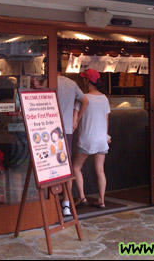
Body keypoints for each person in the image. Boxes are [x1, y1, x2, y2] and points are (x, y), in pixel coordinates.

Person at [73, 69, 110, 209]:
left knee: (76, 167)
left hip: (86, 138)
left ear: (87, 81)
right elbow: (106, 120)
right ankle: (101, 200)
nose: (82, 81)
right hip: (101, 139)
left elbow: (75, 119)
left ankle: (82, 197)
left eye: (84, 78)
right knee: (100, 170)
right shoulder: (104, 98)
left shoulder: (83, 98)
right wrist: (106, 136)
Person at [56, 59, 89, 216]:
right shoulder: (71, 83)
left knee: (51, 167)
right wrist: (76, 119)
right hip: (67, 130)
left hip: (50, 130)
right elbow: (85, 101)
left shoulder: (48, 82)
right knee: (67, 168)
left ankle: (51, 203)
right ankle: (66, 204)